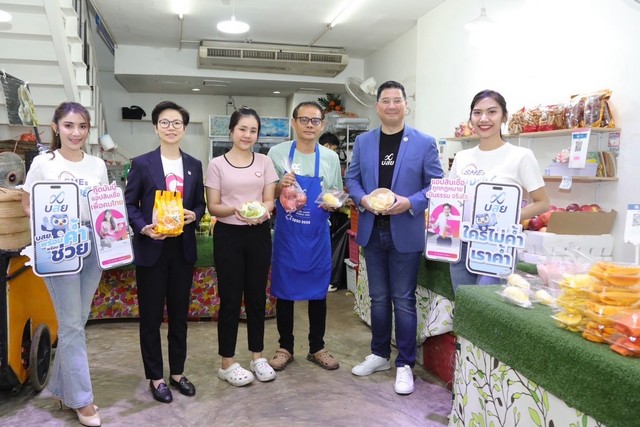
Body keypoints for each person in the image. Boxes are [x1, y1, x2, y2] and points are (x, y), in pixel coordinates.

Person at [345, 80, 444, 395]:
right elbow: (352, 178)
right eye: (385, 100)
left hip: (405, 230)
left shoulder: (424, 142)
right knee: (377, 298)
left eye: (396, 100)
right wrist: (363, 199)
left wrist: (410, 202)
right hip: (372, 230)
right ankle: (379, 354)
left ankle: (405, 364)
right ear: (377, 107)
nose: (391, 105)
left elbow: (436, 185)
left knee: (403, 300)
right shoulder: (364, 142)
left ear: (406, 105)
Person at [21, 102, 107, 426]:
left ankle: (60, 387)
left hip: (93, 245)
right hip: (58, 244)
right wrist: (50, 219)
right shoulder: (43, 163)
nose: (76, 132)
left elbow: (103, 205)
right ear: (56, 127)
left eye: (82, 126)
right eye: (69, 125)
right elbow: (28, 204)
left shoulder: (97, 165)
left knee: (77, 322)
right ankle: (82, 400)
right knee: (71, 325)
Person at [125, 101, 206, 404]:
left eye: (176, 123)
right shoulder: (141, 163)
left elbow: (200, 203)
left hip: (182, 249)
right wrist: (143, 228)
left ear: (184, 128)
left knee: (180, 316)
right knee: (150, 317)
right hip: (152, 247)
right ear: (155, 127)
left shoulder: (194, 164)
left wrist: (195, 214)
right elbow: (129, 204)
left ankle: (178, 373)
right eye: (164, 122)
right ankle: (156, 377)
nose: (171, 128)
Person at [204, 108, 278, 386]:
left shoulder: (264, 162)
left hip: (259, 234)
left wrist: (261, 212)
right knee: (231, 299)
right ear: (231, 131)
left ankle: (258, 356)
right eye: (242, 129)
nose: (247, 135)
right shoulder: (217, 165)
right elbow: (214, 206)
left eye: (253, 130)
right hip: (228, 236)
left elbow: (269, 200)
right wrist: (238, 210)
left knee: (257, 297)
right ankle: (227, 362)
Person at [447, 90, 549, 291]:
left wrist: (507, 218)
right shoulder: (462, 157)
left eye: (492, 112)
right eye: (477, 113)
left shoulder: (520, 156)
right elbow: (451, 199)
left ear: (504, 117)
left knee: (484, 304)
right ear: (471, 118)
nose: (484, 119)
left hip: (497, 246)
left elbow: (543, 203)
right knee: (462, 303)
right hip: (461, 243)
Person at [267, 101, 342, 372]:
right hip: (287, 235)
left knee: (318, 292)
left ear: (322, 125)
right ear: (293, 122)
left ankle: (317, 347)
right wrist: (280, 187)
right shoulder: (277, 153)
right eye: (304, 120)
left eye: (315, 120)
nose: (310, 125)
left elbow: (336, 195)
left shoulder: (330, 158)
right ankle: (285, 347)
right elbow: (266, 194)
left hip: (317, 236)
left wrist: (333, 203)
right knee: (285, 291)